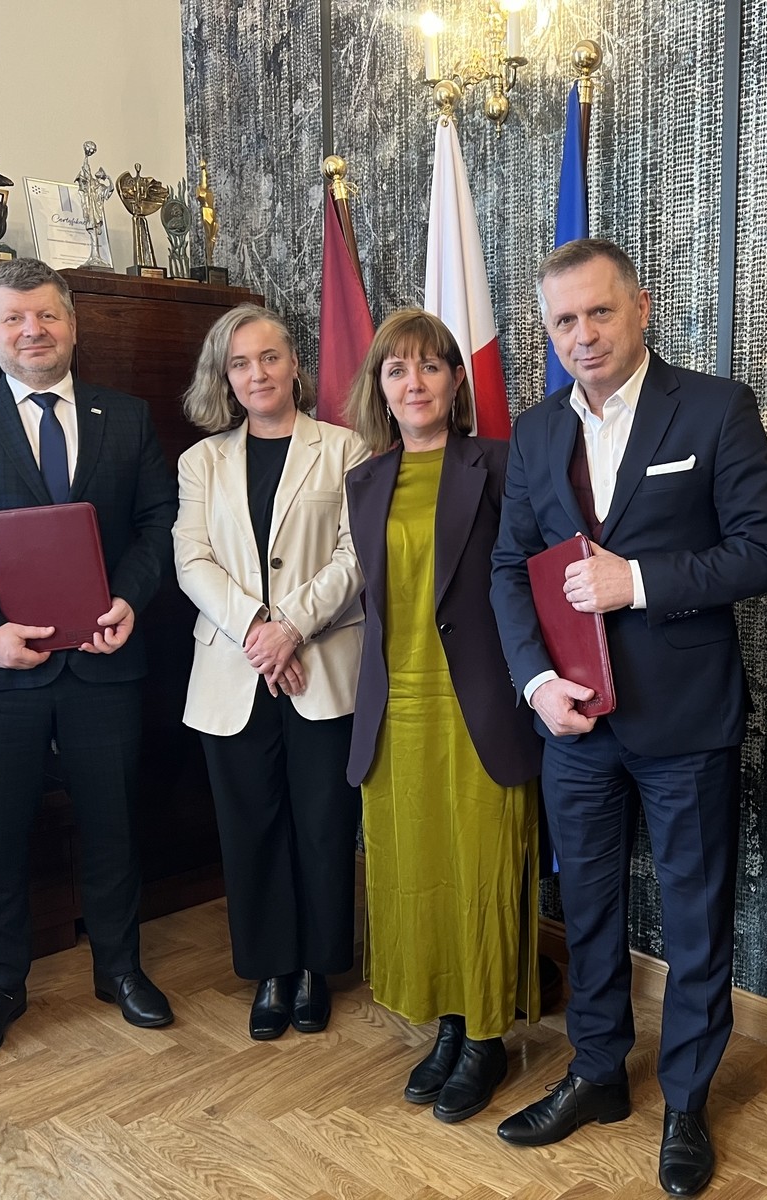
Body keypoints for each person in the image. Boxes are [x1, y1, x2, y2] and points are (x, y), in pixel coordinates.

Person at [490, 239, 767, 1196]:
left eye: (599, 312)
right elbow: (510, 568)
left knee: (696, 917)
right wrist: (537, 684)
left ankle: (688, 1101)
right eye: (563, 321)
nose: (582, 334)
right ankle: (596, 1074)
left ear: (641, 307)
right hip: (576, 722)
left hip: (687, 721)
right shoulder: (535, 432)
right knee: (586, 907)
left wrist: (641, 582)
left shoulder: (714, 408)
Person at [0, 257, 178, 1064]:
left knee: (114, 825)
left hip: (103, 660)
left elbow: (158, 521)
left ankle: (119, 969)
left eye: (47, 315)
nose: (33, 331)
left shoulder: (126, 416)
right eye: (15, 318)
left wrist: (130, 599)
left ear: (73, 325)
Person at [343, 309, 543, 1124]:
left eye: (430, 366)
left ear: (458, 380)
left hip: (480, 706)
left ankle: (487, 1036)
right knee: (417, 872)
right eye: (397, 369)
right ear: (380, 387)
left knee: (482, 871)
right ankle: (448, 1025)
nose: (414, 382)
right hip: (395, 710)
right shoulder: (365, 481)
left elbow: (529, 578)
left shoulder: (498, 464)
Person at [173, 303, 368, 1040]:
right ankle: (271, 971)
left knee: (323, 824)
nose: (257, 373)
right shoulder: (201, 461)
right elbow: (192, 560)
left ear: (294, 365)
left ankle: (318, 967)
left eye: (269, 357)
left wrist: (291, 627)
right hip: (234, 669)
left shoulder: (345, 448)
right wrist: (258, 629)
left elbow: (356, 556)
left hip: (321, 663)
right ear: (223, 377)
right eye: (240, 363)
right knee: (250, 826)